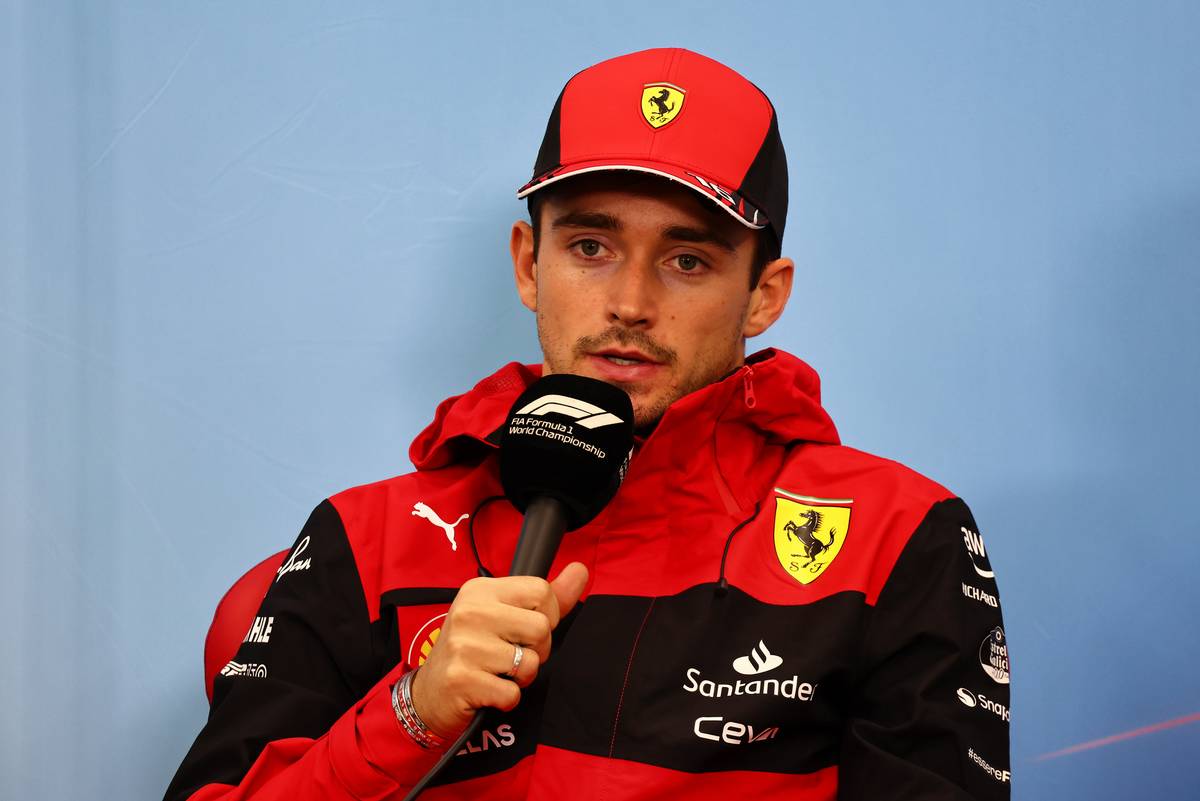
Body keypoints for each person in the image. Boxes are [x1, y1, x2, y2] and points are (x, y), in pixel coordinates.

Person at [165, 47, 1010, 801]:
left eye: (688, 260)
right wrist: (411, 713)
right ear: (530, 264)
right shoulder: (369, 536)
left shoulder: (895, 536)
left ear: (765, 293)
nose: (631, 305)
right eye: (591, 248)